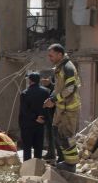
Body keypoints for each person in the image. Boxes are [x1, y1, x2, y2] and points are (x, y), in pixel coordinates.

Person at [43, 44, 81, 172]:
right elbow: (58, 87)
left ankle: (71, 164)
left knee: (66, 136)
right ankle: (66, 160)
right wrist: (51, 98)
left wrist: (54, 100)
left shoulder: (68, 67)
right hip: (61, 108)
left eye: (51, 55)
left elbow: (70, 88)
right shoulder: (60, 67)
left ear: (60, 54)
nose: (50, 58)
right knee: (57, 133)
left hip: (69, 109)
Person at [18, 72, 50, 161]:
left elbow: (24, 110)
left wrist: (35, 117)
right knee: (38, 147)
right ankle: (37, 166)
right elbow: (48, 108)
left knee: (27, 147)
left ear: (30, 80)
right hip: (40, 124)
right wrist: (43, 119)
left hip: (27, 124)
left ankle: (27, 166)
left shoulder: (25, 93)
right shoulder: (45, 92)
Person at [40, 75, 58, 160]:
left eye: (46, 78)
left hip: (53, 116)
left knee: (53, 136)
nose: (44, 80)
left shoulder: (55, 89)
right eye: (43, 79)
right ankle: (50, 154)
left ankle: (54, 155)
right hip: (48, 116)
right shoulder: (44, 89)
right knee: (49, 136)